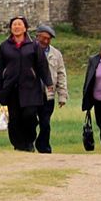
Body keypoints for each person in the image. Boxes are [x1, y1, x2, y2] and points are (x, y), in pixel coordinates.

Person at [0, 17, 52, 152]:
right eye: (14, 25)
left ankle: (29, 141)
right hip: (12, 88)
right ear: (10, 28)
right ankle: (18, 145)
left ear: (25, 28)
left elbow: (42, 65)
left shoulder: (33, 45)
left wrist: (48, 82)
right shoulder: (4, 46)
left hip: (31, 88)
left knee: (30, 115)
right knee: (14, 119)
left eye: (19, 24)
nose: (17, 27)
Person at [34, 24, 67, 153]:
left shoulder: (56, 54)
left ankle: (44, 148)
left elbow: (61, 74)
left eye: (48, 39)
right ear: (37, 36)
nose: (46, 41)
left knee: (45, 123)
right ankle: (28, 144)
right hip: (31, 94)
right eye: (43, 38)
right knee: (31, 122)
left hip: (48, 95)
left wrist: (62, 95)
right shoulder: (29, 50)